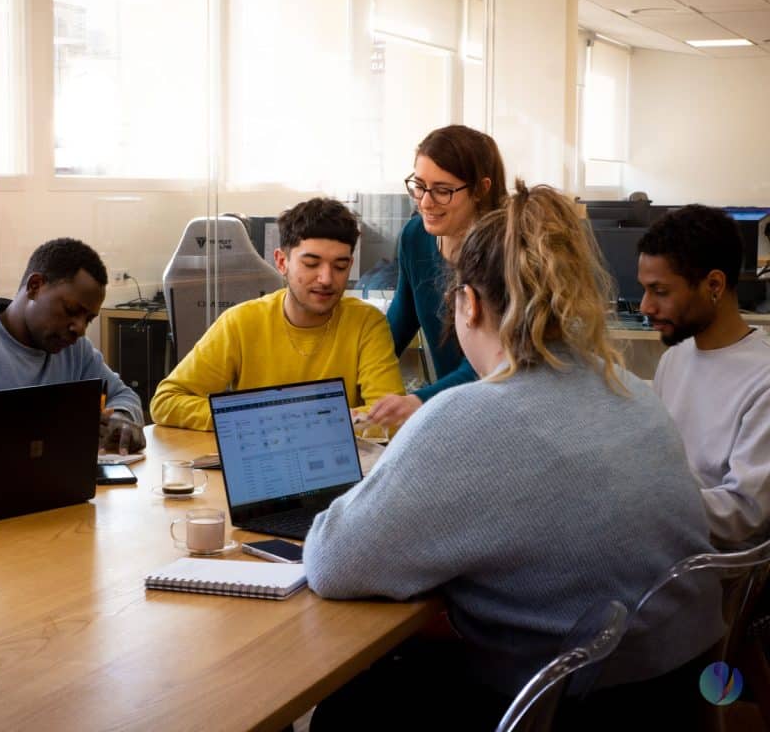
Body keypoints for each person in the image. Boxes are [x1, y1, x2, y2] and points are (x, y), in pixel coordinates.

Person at [302, 183, 713, 729]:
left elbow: (332, 563)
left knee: (349, 705)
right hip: (671, 696)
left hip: (558, 704)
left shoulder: (466, 416)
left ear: (468, 303)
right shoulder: (631, 390)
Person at [150, 198, 405, 431]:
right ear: (281, 262)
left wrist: (288, 420)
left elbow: (392, 418)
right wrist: (257, 419)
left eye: (339, 266)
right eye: (311, 264)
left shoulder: (366, 323)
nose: (326, 279)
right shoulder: (241, 322)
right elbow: (166, 401)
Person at [0, 238, 145, 453]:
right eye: (71, 311)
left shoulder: (75, 349)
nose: (80, 328)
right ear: (35, 286)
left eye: (88, 319)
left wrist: (121, 420)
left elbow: (125, 396)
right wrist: (48, 436)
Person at [638, 205, 770, 547]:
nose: (645, 307)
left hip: (711, 568)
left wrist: (641, 506)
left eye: (660, 291)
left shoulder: (763, 380)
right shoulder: (675, 359)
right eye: (645, 289)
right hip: (664, 543)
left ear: (714, 284)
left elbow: (744, 514)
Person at [366, 124, 507, 429]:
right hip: (448, 411)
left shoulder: (504, 252)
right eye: (419, 185)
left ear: (481, 189)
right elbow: (398, 324)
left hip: (499, 411)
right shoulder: (415, 236)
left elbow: (494, 360)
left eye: (443, 191)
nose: (426, 202)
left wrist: (420, 400)